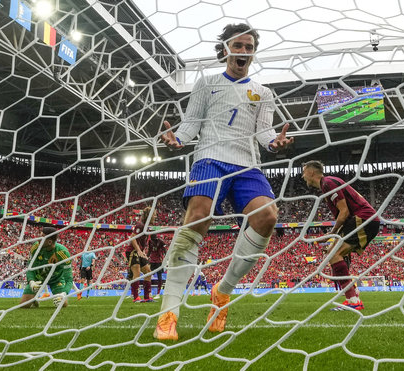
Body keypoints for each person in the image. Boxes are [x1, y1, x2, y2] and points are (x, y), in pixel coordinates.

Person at [154, 23, 294, 340]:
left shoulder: (264, 93)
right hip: (210, 158)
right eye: (238, 46)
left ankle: (223, 291)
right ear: (225, 50)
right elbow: (191, 125)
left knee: (268, 216)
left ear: (253, 52)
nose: (243, 51)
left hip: (247, 163)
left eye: (248, 47)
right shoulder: (207, 83)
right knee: (198, 215)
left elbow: (264, 135)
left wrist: (276, 143)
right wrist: (176, 139)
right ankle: (168, 314)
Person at [301, 160, 381, 311]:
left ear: (311, 172)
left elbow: (344, 212)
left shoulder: (328, 183)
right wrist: (333, 240)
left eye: (304, 172)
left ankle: (353, 300)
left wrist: (332, 233)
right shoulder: (329, 183)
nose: (303, 176)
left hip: (363, 219)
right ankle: (353, 293)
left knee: (334, 254)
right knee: (333, 253)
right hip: (362, 219)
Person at [20, 227, 73, 308]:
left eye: (42, 237)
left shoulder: (63, 253)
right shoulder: (35, 247)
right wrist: (31, 282)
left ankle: (59, 295)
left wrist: (64, 293)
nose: (38, 239)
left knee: (63, 304)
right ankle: (34, 298)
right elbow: (30, 267)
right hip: (39, 278)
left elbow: (69, 279)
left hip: (56, 280)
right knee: (24, 305)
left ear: (49, 242)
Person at [126, 207, 154, 303]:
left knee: (148, 272)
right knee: (136, 273)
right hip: (132, 251)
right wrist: (138, 250)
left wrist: (143, 252)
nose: (155, 216)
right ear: (149, 215)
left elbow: (142, 241)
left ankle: (147, 297)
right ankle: (136, 297)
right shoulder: (140, 225)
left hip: (139, 252)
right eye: (154, 214)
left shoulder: (146, 226)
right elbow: (132, 238)